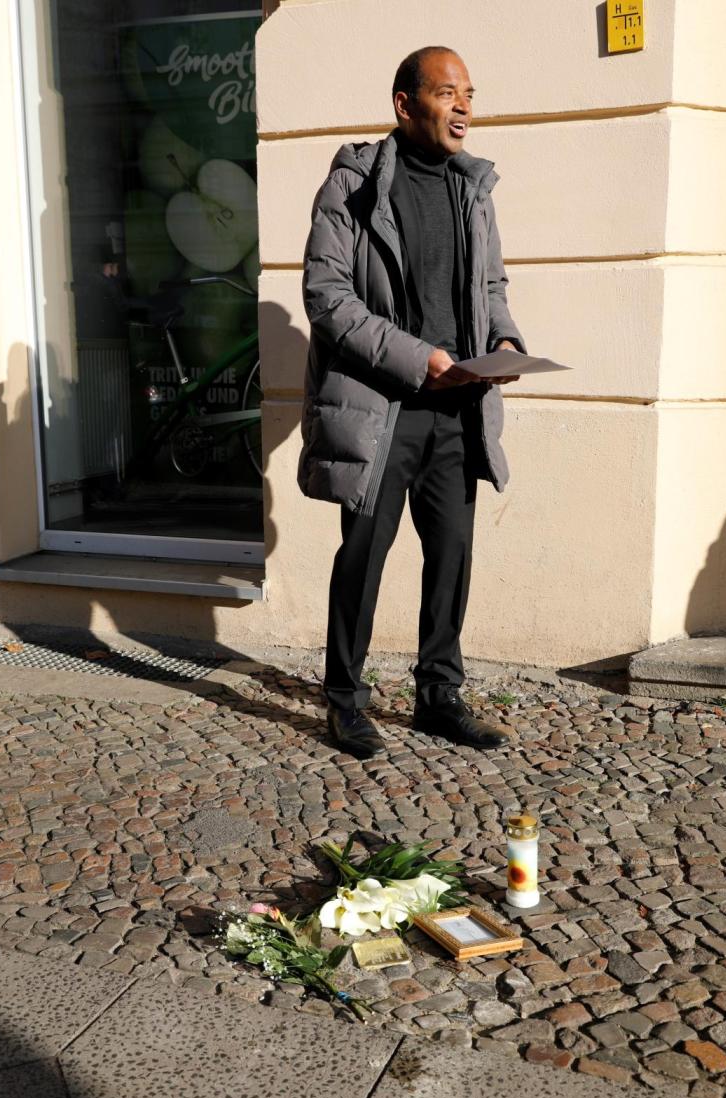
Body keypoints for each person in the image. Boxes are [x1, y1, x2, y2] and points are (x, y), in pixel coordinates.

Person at [299, 46, 525, 760]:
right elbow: (326, 297)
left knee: (451, 557)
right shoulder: (354, 184)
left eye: (469, 94)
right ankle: (344, 700)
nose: (464, 107)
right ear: (405, 104)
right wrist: (413, 357)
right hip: (384, 408)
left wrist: (507, 343)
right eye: (448, 92)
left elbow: (491, 288)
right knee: (364, 554)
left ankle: (438, 696)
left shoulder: (473, 190)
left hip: (458, 407)